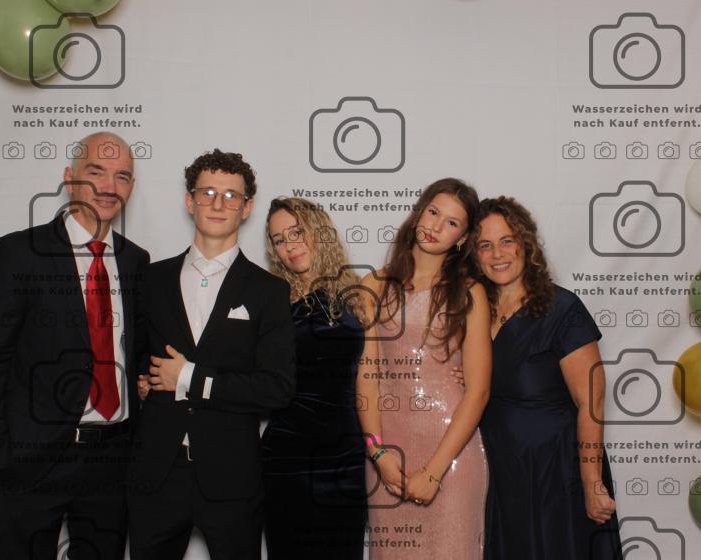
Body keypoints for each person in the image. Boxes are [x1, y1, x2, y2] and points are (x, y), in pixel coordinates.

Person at [0, 132, 149, 559]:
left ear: (131, 187)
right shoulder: (20, 253)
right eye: (96, 171)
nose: (109, 186)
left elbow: (135, 350)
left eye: (122, 176)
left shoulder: (136, 261)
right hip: (32, 458)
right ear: (70, 178)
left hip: (112, 460)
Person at [128, 149, 296, 560]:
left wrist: (188, 377)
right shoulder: (151, 279)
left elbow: (276, 389)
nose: (218, 204)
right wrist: (141, 383)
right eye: (207, 193)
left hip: (232, 479)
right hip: (156, 475)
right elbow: (130, 357)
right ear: (190, 201)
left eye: (231, 196)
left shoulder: (268, 291)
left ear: (247, 207)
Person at [471, 196, 622, 559]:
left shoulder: (562, 308)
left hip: (557, 472)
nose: (497, 254)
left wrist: (591, 481)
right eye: (485, 245)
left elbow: (592, 401)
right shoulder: (474, 312)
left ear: (525, 244)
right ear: (474, 255)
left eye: (507, 241)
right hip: (502, 471)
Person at [357, 178, 492, 558]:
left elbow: (478, 391)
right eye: (433, 212)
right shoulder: (374, 285)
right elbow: (367, 378)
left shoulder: (470, 293)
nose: (435, 226)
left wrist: (434, 471)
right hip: (387, 456)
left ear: (462, 238)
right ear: (418, 213)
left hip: (452, 455)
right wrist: (377, 453)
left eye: (452, 222)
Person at [260, 197, 368, 559]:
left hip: (347, 459)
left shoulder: (358, 293)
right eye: (279, 239)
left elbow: (377, 370)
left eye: (297, 232)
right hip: (288, 459)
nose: (289, 246)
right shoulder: (271, 301)